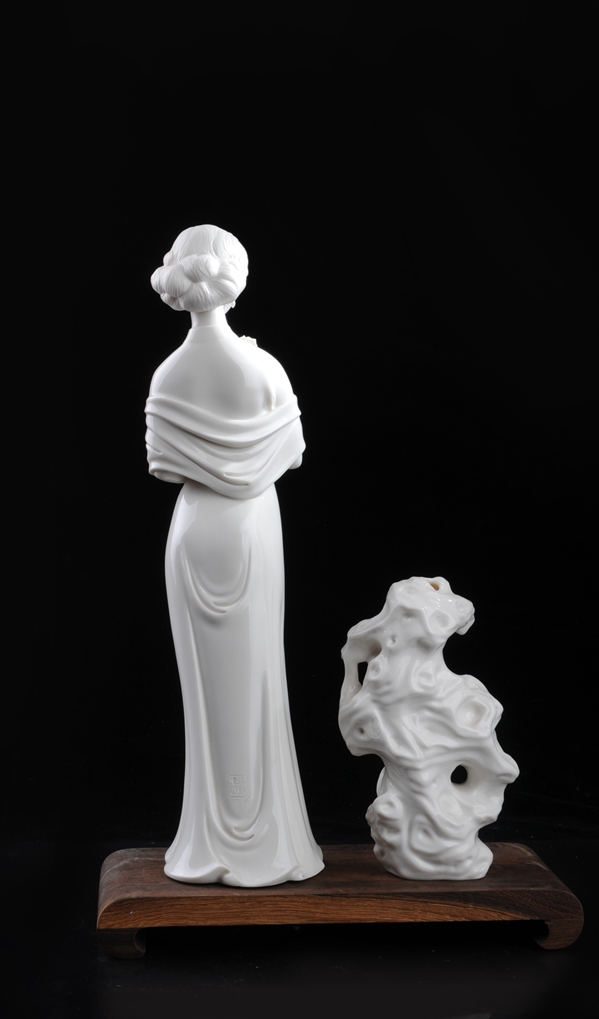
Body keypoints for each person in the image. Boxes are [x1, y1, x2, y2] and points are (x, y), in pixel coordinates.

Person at [146, 225, 323, 885]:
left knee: (206, 691)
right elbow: (293, 452)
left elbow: (163, 463)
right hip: (250, 527)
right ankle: (270, 844)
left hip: (196, 528)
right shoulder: (262, 368)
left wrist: (210, 462)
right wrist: (250, 461)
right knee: (257, 674)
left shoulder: (169, 373)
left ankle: (207, 844)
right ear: (235, 281)